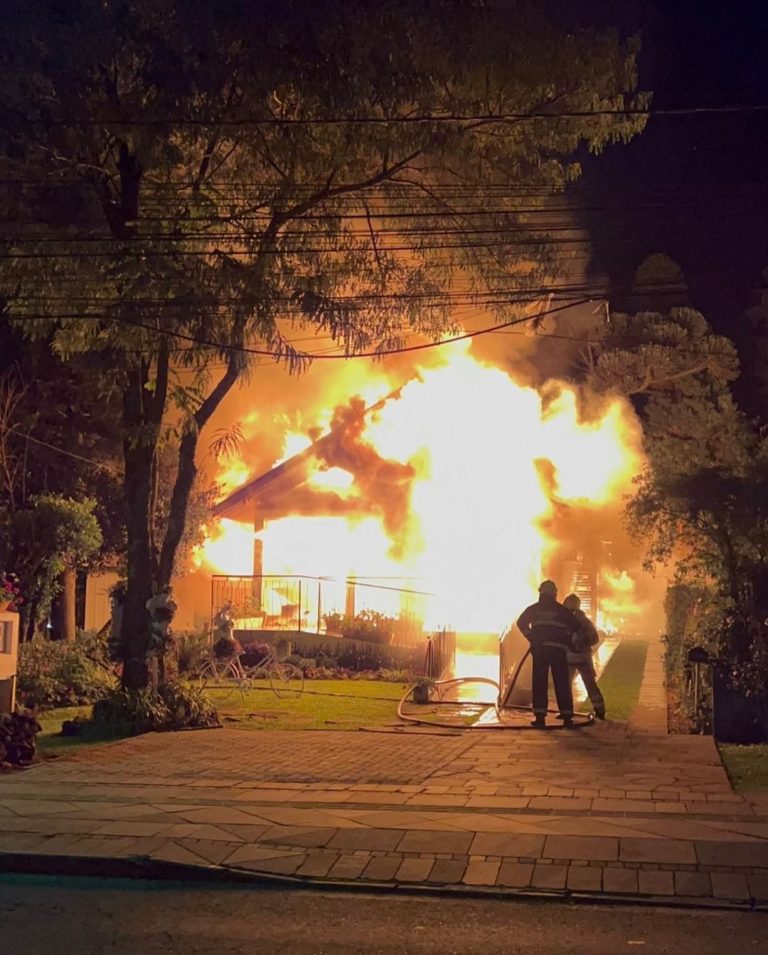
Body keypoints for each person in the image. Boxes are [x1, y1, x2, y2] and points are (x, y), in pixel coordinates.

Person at [517, 580, 577, 728]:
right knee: (562, 682)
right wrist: (565, 639)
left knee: (539, 682)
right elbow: (575, 625)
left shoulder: (534, 609)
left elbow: (521, 623)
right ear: (555, 593)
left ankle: (540, 717)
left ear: (541, 593)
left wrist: (531, 637)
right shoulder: (561, 610)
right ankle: (567, 716)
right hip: (558, 650)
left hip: (540, 650)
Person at [563, 593, 606, 720]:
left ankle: (567, 711)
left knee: (565, 686)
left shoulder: (566, 621)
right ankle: (600, 710)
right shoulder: (585, 621)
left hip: (571, 659)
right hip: (583, 659)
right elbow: (595, 638)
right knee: (590, 685)